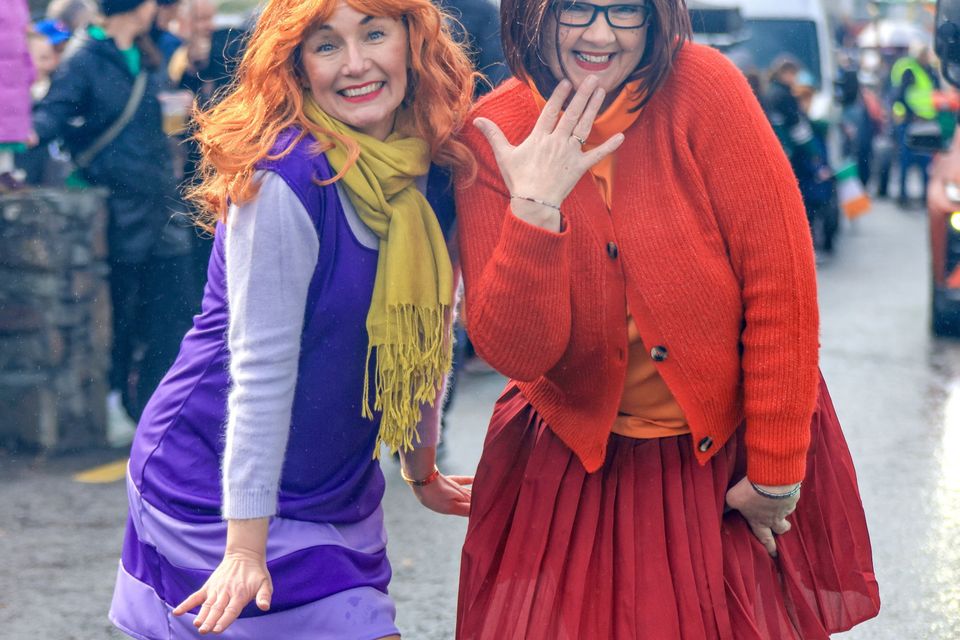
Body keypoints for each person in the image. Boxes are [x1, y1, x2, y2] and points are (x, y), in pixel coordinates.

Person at [454, 0, 881, 637]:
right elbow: (518, 353)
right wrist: (534, 210)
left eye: (625, 8)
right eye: (575, 8)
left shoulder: (704, 86)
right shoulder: (495, 128)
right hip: (575, 468)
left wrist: (773, 474)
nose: (601, 33)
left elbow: (782, 288)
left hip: (720, 460)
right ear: (532, 13)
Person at [108, 0, 476, 637]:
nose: (355, 64)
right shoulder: (285, 179)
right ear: (298, 66)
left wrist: (420, 469)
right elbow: (261, 372)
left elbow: (427, 334)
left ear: (411, 44)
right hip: (214, 487)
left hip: (334, 482)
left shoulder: (428, 169)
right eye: (326, 45)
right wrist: (245, 549)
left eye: (375, 33)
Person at [31, 0, 195, 432]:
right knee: (123, 316)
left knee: (174, 313)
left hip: (161, 203)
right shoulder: (85, 57)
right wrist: (26, 134)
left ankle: (158, 411)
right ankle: (125, 404)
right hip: (120, 209)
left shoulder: (147, 51)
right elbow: (54, 114)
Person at [891, 45, 940, 208]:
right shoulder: (910, 72)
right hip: (912, 124)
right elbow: (899, 96)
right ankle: (903, 196)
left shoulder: (932, 73)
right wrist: (912, 115)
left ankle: (925, 197)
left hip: (928, 124)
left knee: (926, 163)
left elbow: (936, 95)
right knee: (906, 160)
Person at [0, 0, 35, 193]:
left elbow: (23, 36)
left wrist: (28, 68)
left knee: (7, 125)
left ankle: (4, 170)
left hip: (13, 69)